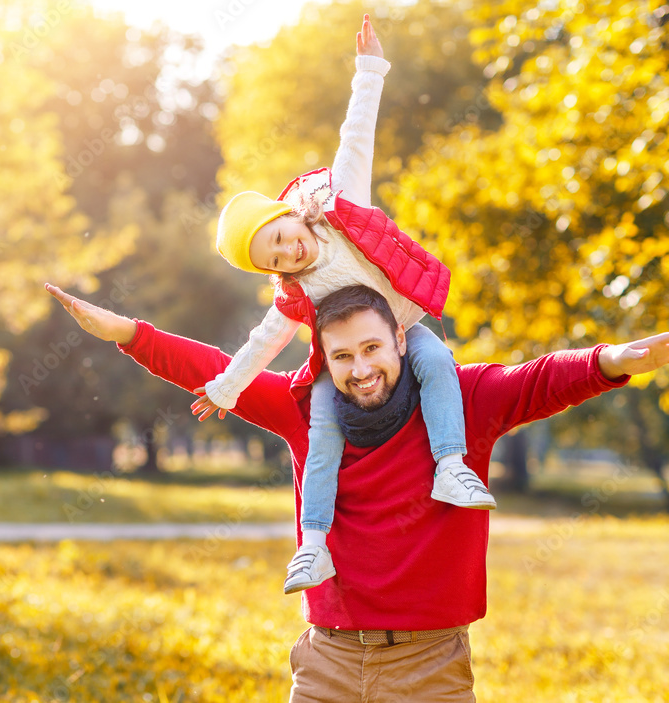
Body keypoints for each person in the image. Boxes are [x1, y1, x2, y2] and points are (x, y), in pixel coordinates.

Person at [44, 280, 669, 700]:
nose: (361, 368)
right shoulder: (301, 409)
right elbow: (211, 368)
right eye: (341, 356)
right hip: (329, 663)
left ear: (400, 339)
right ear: (323, 357)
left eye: (372, 347)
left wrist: (617, 359)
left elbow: (541, 378)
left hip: (430, 668)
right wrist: (127, 332)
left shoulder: (463, 401)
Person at [189, 15, 493, 596]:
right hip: (346, 361)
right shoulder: (296, 294)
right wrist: (226, 388)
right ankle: (313, 546)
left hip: (405, 328)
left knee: (438, 367)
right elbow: (264, 343)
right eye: (274, 260)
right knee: (323, 425)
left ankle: (451, 466)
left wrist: (369, 69)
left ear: (287, 215)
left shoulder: (341, 207)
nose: (288, 252)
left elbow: (356, 136)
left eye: (280, 237)